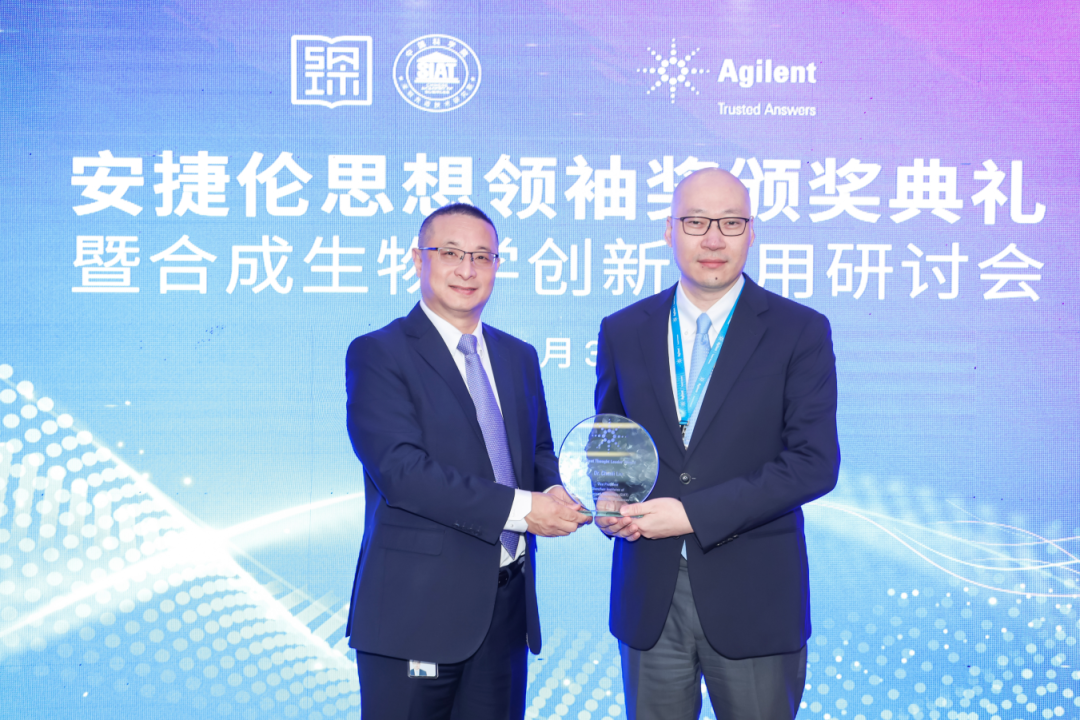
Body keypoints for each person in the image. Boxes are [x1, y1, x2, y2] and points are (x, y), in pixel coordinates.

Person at [594, 168, 840, 720]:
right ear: (669, 230)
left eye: (730, 223)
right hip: (649, 594)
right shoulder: (624, 329)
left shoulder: (798, 331)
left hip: (754, 596)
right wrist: (608, 497)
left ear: (751, 232)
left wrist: (691, 514)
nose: (712, 239)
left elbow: (813, 464)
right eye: (695, 222)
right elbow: (613, 440)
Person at [345, 203, 589, 720]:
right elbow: (402, 473)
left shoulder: (519, 356)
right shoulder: (379, 353)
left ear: (497, 266)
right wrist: (525, 510)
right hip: (416, 616)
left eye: (482, 256)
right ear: (418, 259)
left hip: (504, 611)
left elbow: (537, 451)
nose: (467, 269)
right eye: (451, 253)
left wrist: (560, 492)